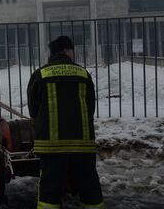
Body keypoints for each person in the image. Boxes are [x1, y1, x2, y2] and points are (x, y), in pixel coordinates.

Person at [27, 36, 104, 209]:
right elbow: (90, 106)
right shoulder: (83, 74)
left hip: (51, 146)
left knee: (49, 189)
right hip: (82, 144)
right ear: (67, 50)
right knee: (89, 186)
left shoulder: (41, 74)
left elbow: (33, 109)